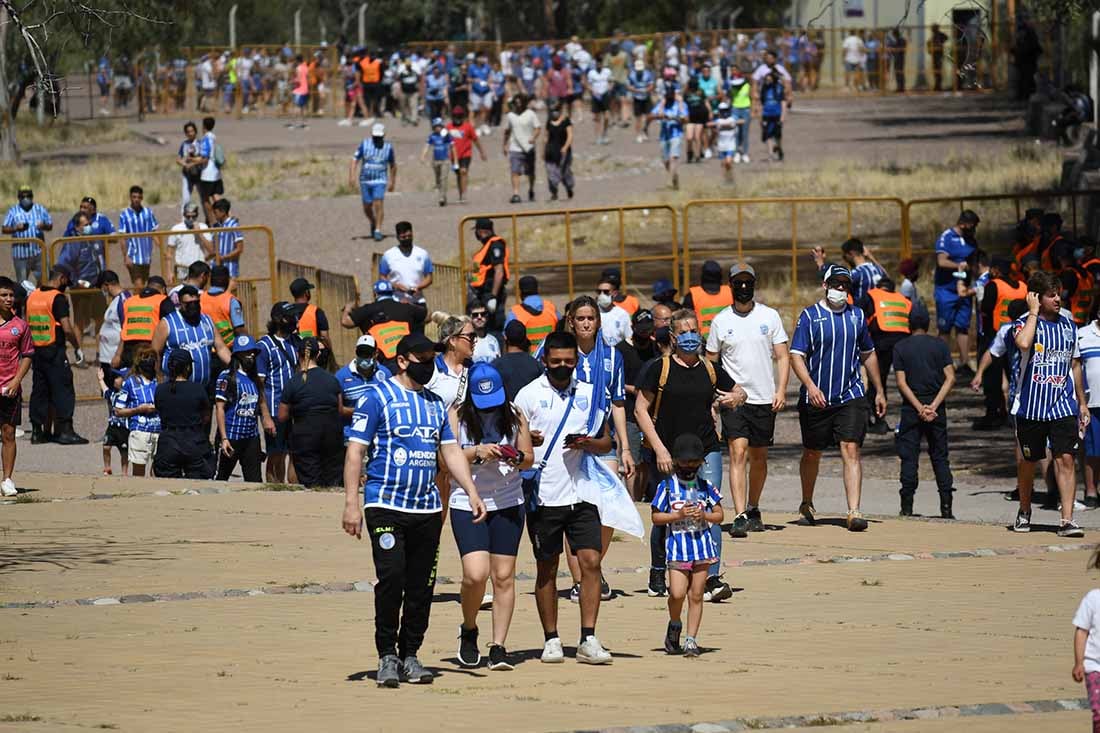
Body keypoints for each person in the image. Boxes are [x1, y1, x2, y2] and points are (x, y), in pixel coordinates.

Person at [341, 333, 486, 688]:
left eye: (431, 360)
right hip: (385, 504)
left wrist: (471, 490)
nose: (428, 366)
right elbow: (355, 452)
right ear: (403, 360)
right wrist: (351, 504)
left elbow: (451, 451)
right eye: (421, 359)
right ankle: (386, 653)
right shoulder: (377, 397)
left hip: (426, 508)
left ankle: (411, 654)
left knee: (422, 585)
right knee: (392, 578)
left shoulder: (437, 404)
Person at [514, 331, 614, 665]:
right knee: (547, 567)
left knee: (591, 563)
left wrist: (588, 442)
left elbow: (606, 442)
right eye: (555, 362)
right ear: (544, 360)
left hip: (582, 493)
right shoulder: (527, 396)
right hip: (545, 496)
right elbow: (515, 448)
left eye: (569, 362)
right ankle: (551, 638)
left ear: (577, 361)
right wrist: (529, 441)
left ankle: (588, 637)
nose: (562, 367)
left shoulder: (588, 393)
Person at [635, 307, 742, 600]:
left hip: (706, 449)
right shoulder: (659, 369)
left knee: (711, 507)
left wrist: (735, 397)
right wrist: (658, 448)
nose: (690, 337)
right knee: (667, 512)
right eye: (683, 332)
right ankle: (659, 570)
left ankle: (711, 578)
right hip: (668, 452)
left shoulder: (710, 369)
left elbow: (738, 391)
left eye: (694, 331)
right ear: (672, 336)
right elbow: (640, 410)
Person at [790, 265, 887, 532]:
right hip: (817, 397)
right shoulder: (810, 316)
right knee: (812, 452)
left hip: (851, 394)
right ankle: (807, 502)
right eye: (836, 284)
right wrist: (810, 385)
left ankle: (854, 511)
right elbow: (796, 354)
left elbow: (868, 353)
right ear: (825, 285)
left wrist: (878, 389)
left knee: (851, 448)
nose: (841, 289)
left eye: (845, 285)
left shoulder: (857, 316)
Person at [450, 362, 533, 670]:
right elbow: (446, 461)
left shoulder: (514, 414)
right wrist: (476, 452)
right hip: (467, 500)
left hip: (508, 501)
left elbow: (528, 459)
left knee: (503, 576)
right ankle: (469, 627)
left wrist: (514, 456)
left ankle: (498, 645)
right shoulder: (456, 415)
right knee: (475, 574)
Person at [707, 263, 790, 537]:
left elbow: (782, 356)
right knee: (737, 452)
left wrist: (781, 391)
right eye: (738, 283)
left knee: (759, 456)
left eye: (748, 283)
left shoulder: (770, 316)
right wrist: (714, 399)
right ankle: (740, 513)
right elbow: (711, 362)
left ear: (754, 285)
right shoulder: (721, 321)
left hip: (764, 398)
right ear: (730, 286)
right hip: (734, 400)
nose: (743, 288)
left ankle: (754, 507)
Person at [1011, 271, 1088, 537]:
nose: (1058, 299)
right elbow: (1022, 344)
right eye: (1051, 295)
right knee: (1028, 462)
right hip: (1031, 406)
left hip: (1062, 405)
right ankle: (1024, 510)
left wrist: (1082, 403)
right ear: (1036, 297)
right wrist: (1032, 312)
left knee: (1065, 459)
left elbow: (1075, 364)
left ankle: (1067, 520)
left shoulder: (1069, 325)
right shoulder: (1023, 323)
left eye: (1059, 293)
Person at [651, 433, 725, 657]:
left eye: (694, 462)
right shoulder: (667, 486)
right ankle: (675, 624)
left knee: (696, 594)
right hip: (678, 548)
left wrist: (705, 516)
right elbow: (656, 517)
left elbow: (720, 515)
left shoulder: (706, 486)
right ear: (675, 461)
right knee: (676, 593)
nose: (689, 466)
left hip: (702, 547)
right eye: (685, 462)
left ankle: (691, 639)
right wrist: (678, 514)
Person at [893, 306, 957, 518]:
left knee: (909, 457)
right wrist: (934, 405)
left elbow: (901, 383)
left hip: (912, 410)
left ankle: (907, 506)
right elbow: (950, 377)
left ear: (909, 324)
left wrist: (919, 407)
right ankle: (946, 507)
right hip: (936, 409)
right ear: (928, 324)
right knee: (940, 456)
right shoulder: (940, 345)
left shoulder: (901, 347)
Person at [27, 265, 87, 445]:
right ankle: (65, 431)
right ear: (61, 278)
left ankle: (38, 432)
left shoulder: (33, 296)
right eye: (66, 282)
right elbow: (67, 327)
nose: (66, 286)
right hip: (55, 351)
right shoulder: (58, 298)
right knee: (64, 389)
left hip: (37, 350)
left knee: (40, 390)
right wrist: (77, 347)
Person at [279, 337, 344, 488]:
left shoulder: (293, 382)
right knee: (331, 481)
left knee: (311, 482)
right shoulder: (332, 380)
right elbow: (340, 409)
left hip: (305, 435)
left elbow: (282, 416)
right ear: (318, 355)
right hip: (332, 434)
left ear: (298, 354)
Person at [151, 285, 231, 394]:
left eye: (196, 303)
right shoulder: (167, 323)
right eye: (189, 304)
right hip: (176, 390)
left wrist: (235, 365)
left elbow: (221, 348)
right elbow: (155, 352)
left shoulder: (207, 321)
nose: (193, 306)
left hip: (204, 389)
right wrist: (159, 377)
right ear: (180, 303)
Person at [153, 349, 214, 479]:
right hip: (194, 441)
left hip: (168, 442)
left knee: (169, 487)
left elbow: (159, 411)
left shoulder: (160, 390)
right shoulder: (198, 389)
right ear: (187, 367)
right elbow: (206, 415)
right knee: (198, 486)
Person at [860, 276, 911, 434]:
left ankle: (878, 420)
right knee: (906, 382)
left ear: (879, 286)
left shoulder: (872, 295)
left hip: (881, 341)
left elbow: (859, 316)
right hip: (904, 343)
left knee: (878, 382)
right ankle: (911, 420)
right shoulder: (903, 299)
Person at [934, 210, 980, 377]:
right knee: (944, 328)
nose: (974, 229)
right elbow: (941, 261)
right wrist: (959, 266)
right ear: (963, 224)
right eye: (972, 226)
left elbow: (975, 261)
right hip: (946, 290)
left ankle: (965, 362)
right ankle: (942, 365)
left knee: (963, 327)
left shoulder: (971, 240)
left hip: (964, 290)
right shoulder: (947, 237)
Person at [258, 302, 299, 484]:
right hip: (274, 410)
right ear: (277, 320)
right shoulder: (264, 346)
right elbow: (259, 384)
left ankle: (289, 489)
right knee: (275, 454)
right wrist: (265, 416)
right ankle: (274, 489)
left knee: (293, 452)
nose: (294, 320)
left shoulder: (296, 343)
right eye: (289, 317)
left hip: (295, 410)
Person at [341, 280, 428, 367]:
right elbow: (427, 316)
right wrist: (411, 305)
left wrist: (347, 308)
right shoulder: (405, 307)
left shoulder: (367, 310)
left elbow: (346, 322)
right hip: (406, 358)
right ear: (392, 293)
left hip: (383, 361)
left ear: (375, 294)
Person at [215, 334, 265, 483]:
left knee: (255, 481)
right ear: (238, 354)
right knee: (222, 478)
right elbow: (219, 408)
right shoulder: (227, 377)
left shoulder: (254, 378)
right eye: (247, 352)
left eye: (253, 352)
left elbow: (258, 406)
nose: (251, 355)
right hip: (232, 437)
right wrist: (224, 438)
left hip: (251, 438)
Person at [0, 277, 32, 496]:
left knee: (8, 433)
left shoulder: (20, 326)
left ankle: (7, 479)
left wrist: (16, 380)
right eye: (4, 295)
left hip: (8, 388)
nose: (9, 299)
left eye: (11, 295)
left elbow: (28, 355)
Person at [336, 334, 392, 441]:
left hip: (379, 437)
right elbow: (339, 409)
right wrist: (366, 411)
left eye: (367, 353)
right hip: (351, 437)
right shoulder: (341, 376)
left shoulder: (385, 374)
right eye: (361, 353)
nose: (364, 357)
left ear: (376, 353)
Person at [114, 346, 160, 476]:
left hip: (159, 432)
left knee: (157, 473)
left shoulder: (160, 382)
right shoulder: (130, 383)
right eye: (145, 358)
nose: (149, 361)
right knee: (139, 474)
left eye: (152, 358)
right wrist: (138, 409)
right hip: (139, 432)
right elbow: (118, 411)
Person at [112, 275, 173, 371]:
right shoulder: (163, 300)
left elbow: (125, 330)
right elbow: (172, 326)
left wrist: (117, 355)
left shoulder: (130, 301)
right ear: (163, 289)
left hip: (129, 351)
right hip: (151, 350)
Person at [349, 123, 397, 242]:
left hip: (380, 180)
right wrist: (352, 176)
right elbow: (355, 160)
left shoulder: (388, 148)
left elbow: (393, 165)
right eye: (375, 137)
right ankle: (373, 221)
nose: (377, 139)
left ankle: (378, 230)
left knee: (378, 203)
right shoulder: (364, 145)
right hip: (365, 180)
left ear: (384, 135)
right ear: (371, 135)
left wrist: (392, 182)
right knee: (367, 207)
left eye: (379, 137)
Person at [3, 185, 52, 285]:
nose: (26, 199)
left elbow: (50, 225)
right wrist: (16, 228)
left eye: (28, 196)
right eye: (22, 196)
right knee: (22, 284)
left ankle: (41, 298)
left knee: (45, 281)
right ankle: (25, 300)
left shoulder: (40, 209)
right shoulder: (13, 211)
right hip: (21, 255)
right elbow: (4, 228)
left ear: (32, 196)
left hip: (38, 253)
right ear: (19, 197)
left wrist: (44, 225)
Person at [468, 218, 509, 334]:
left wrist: (493, 297)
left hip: (491, 292)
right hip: (483, 293)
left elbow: (499, 271)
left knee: (495, 326)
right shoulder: (487, 245)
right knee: (486, 326)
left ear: (481, 231)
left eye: (477, 231)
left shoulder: (495, 245)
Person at [379, 223, 434, 305]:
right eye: (403, 237)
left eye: (409, 236)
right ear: (397, 237)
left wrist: (418, 287)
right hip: (396, 300)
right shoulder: (388, 255)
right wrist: (394, 286)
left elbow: (429, 278)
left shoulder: (423, 254)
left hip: (418, 301)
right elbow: (382, 276)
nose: (407, 239)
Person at [118, 185, 160, 290]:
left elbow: (153, 232)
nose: (136, 199)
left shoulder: (148, 212)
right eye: (134, 197)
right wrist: (126, 257)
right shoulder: (124, 215)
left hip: (146, 254)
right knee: (138, 285)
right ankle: (135, 305)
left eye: (138, 197)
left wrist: (162, 249)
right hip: (133, 255)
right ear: (130, 197)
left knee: (145, 284)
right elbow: (122, 237)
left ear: (142, 198)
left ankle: (141, 304)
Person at [503, 94, 541, 204]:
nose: (518, 105)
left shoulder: (531, 114)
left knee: (530, 172)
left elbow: (538, 128)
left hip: (528, 148)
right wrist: (504, 145)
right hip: (515, 147)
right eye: (516, 102)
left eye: (520, 102)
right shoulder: (510, 116)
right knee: (515, 171)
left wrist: (533, 137)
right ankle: (516, 194)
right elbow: (507, 131)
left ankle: (531, 189)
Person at [506, 275, 557, 354]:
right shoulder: (551, 308)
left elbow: (507, 340)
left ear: (520, 292)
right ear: (537, 289)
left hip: (528, 361)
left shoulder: (515, 312)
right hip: (550, 359)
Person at [648, 87, 687, 190]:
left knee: (673, 158)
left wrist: (674, 117)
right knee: (666, 161)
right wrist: (659, 115)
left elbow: (686, 119)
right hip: (664, 136)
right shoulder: (662, 104)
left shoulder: (680, 105)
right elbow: (650, 116)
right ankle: (674, 176)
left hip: (676, 134)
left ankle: (672, 180)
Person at [493, 320, 543, 401]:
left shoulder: (495, 366)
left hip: (506, 412)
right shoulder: (536, 365)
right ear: (524, 338)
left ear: (505, 337)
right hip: (530, 412)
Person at [682, 260, 732, 341]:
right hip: (729, 340)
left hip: (703, 343)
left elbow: (684, 322)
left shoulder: (692, 295)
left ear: (702, 275)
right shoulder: (731, 292)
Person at [446, 106, 487, 204]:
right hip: (454, 156)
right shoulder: (448, 127)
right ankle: (460, 194)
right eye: (455, 116)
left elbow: (475, 140)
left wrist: (482, 152)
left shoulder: (468, 127)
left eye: (459, 116)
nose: (457, 118)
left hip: (466, 154)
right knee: (458, 175)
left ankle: (464, 194)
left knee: (463, 172)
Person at [166, 204, 213, 282]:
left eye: (193, 217)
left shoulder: (203, 227)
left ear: (197, 215)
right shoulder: (176, 229)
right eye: (188, 217)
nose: (191, 219)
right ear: (184, 215)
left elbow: (211, 250)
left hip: (199, 269)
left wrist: (200, 233)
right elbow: (169, 253)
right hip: (182, 269)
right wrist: (169, 272)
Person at [202, 265, 246, 347]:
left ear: (211, 280)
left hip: (206, 348)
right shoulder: (231, 301)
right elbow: (239, 329)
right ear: (227, 280)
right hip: (227, 349)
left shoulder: (200, 298)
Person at [287, 276, 332, 354]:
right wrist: (330, 349)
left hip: (292, 354)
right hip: (313, 355)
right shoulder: (316, 311)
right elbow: (324, 336)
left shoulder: (287, 312)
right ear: (306, 293)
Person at [98, 366, 129, 477]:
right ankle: (107, 467)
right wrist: (101, 379)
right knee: (106, 446)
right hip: (112, 427)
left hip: (124, 428)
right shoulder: (113, 394)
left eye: (118, 377)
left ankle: (124, 472)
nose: (114, 380)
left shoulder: (129, 396)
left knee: (124, 452)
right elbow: (105, 390)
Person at [421, 117, 456, 207]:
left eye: (439, 126)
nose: (438, 128)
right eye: (436, 126)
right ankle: (443, 196)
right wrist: (423, 156)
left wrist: (455, 160)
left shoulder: (446, 135)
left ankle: (441, 197)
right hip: (435, 161)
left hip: (445, 160)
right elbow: (427, 146)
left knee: (443, 178)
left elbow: (453, 147)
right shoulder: (432, 136)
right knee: (438, 180)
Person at [544, 102, 574, 202]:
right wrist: (543, 150)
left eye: (556, 110)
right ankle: (554, 192)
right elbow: (546, 137)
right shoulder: (549, 121)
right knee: (551, 172)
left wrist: (565, 147)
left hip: (563, 152)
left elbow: (570, 136)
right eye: (553, 110)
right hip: (551, 151)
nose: (554, 112)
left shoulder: (566, 120)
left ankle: (569, 187)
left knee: (565, 172)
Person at [197, 117, 224, 225]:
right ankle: (228, 216)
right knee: (216, 196)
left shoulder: (205, 139)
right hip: (216, 172)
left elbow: (205, 157)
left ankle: (212, 222)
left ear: (203, 126)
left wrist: (191, 162)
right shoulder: (213, 137)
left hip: (207, 174)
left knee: (205, 200)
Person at [210, 199, 243, 279]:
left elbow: (239, 249)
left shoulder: (233, 226)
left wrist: (223, 257)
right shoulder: (217, 226)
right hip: (216, 269)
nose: (214, 216)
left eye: (216, 213)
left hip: (230, 270)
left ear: (223, 212)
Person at [177, 121, 205, 212]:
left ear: (195, 132)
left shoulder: (201, 144)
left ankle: (209, 220)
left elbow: (203, 158)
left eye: (192, 131)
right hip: (187, 175)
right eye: (188, 132)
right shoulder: (184, 144)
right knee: (186, 199)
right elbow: (178, 159)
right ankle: (184, 221)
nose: (190, 133)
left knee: (203, 198)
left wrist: (191, 161)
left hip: (199, 175)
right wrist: (185, 164)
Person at [585, 57, 613, 145]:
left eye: (600, 63)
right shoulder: (591, 73)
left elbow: (611, 82)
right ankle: (598, 137)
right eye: (597, 63)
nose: (599, 65)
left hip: (605, 95)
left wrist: (609, 89)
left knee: (607, 117)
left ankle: (605, 133)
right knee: (597, 118)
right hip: (596, 96)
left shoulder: (607, 71)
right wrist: (593, 91)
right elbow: (588, 84)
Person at [628, 59, 654, 143]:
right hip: (637, 98)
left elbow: (651, 85)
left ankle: (645, 129)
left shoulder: (648, 74)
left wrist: (647, 90)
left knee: (650, 116)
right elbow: (628, 86)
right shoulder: (632, 75)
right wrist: (635, 90)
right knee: (638, 118)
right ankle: (638, 135)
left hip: (646, 97)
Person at [927, 24, 948, 92]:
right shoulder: (934, 36)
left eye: (933, 28)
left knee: (938, 70)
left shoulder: (939, 35)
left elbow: (946, 37)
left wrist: (940, 43)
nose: (932, 30)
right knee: (936, 70)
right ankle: (937, 85)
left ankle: (938, 86)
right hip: (935, 54)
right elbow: (930, 43)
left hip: (938, 55)